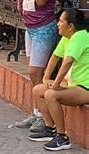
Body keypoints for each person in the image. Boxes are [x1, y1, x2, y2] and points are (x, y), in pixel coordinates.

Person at [14, 0, 74, 131]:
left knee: (36, 73)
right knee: (33, 75)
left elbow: (41, 0)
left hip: (43, 28)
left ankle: (46, 120)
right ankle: (37, 112)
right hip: (30, 27)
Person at [29, 9, 89, 150]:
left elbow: (67, 62)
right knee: (38, 89)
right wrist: (45, 78)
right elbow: (55, 56)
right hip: (74, 84)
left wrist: (55, 84)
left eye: (61, 21)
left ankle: (62, 137)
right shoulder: (67, 36)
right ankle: (50, 129)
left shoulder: (81, 36)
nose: (58, 24)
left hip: (85, 87)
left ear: (71, 26)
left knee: (51, 94)